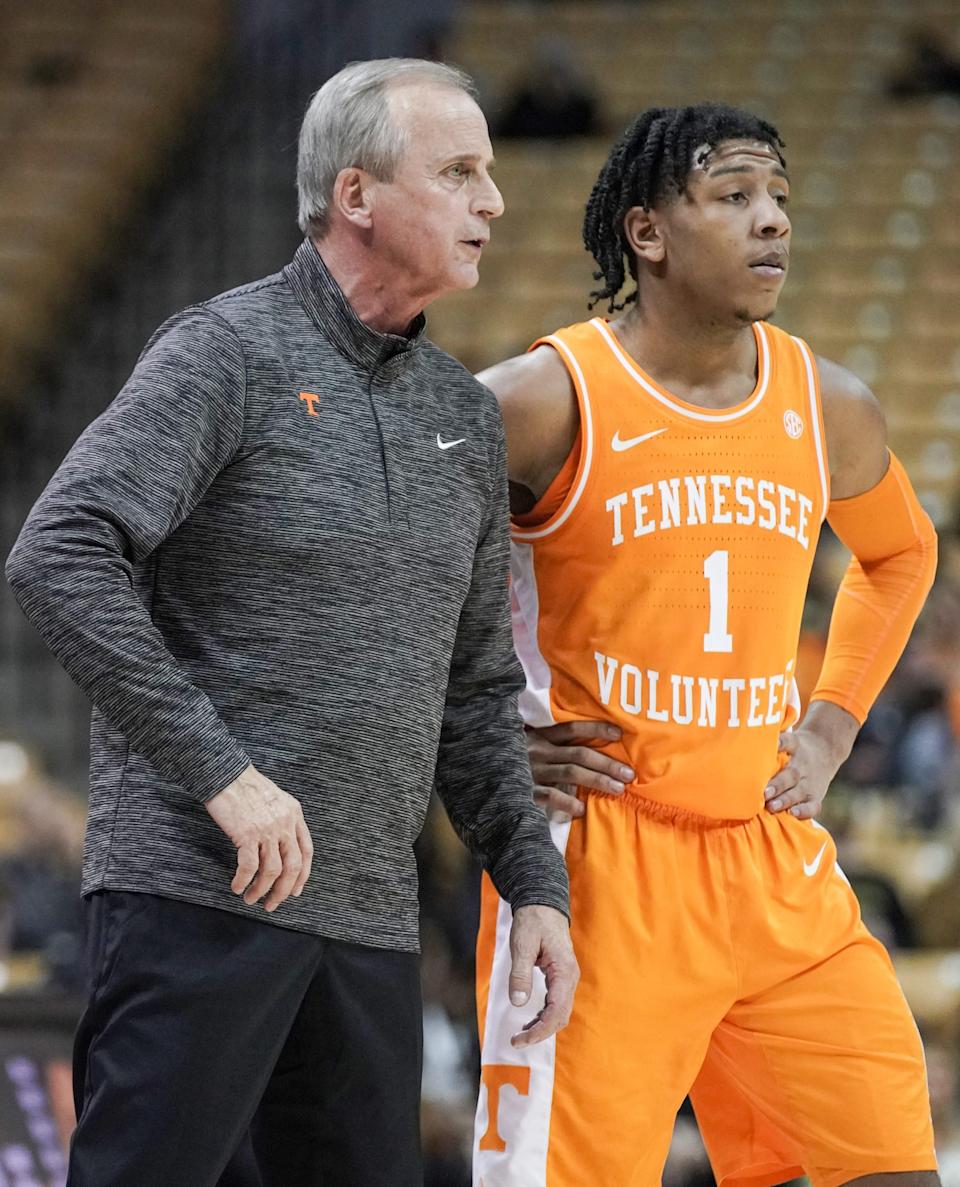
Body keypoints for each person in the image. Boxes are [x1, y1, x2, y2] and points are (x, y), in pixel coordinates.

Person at [5, 58, 578, 1187]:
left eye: (491, 174)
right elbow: (59, 552)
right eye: (459, 171)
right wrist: (223, 772)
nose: (493, 201)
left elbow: (472, 690)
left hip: (369, 918)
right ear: (356, 195)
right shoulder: (226, 351)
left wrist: (532, 883)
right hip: (193, 895)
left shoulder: (463, 417)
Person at [472, 103, 940, 1187]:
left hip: (768, 858)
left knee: (889, 1167)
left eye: (779, 199)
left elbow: (901, 556)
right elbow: (375, 575)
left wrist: (827, 728)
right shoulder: (543, 399)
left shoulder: (827, 403)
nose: (772, 221)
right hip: (595, 862)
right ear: (647, 232)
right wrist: (482, 732)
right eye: (734, 197)